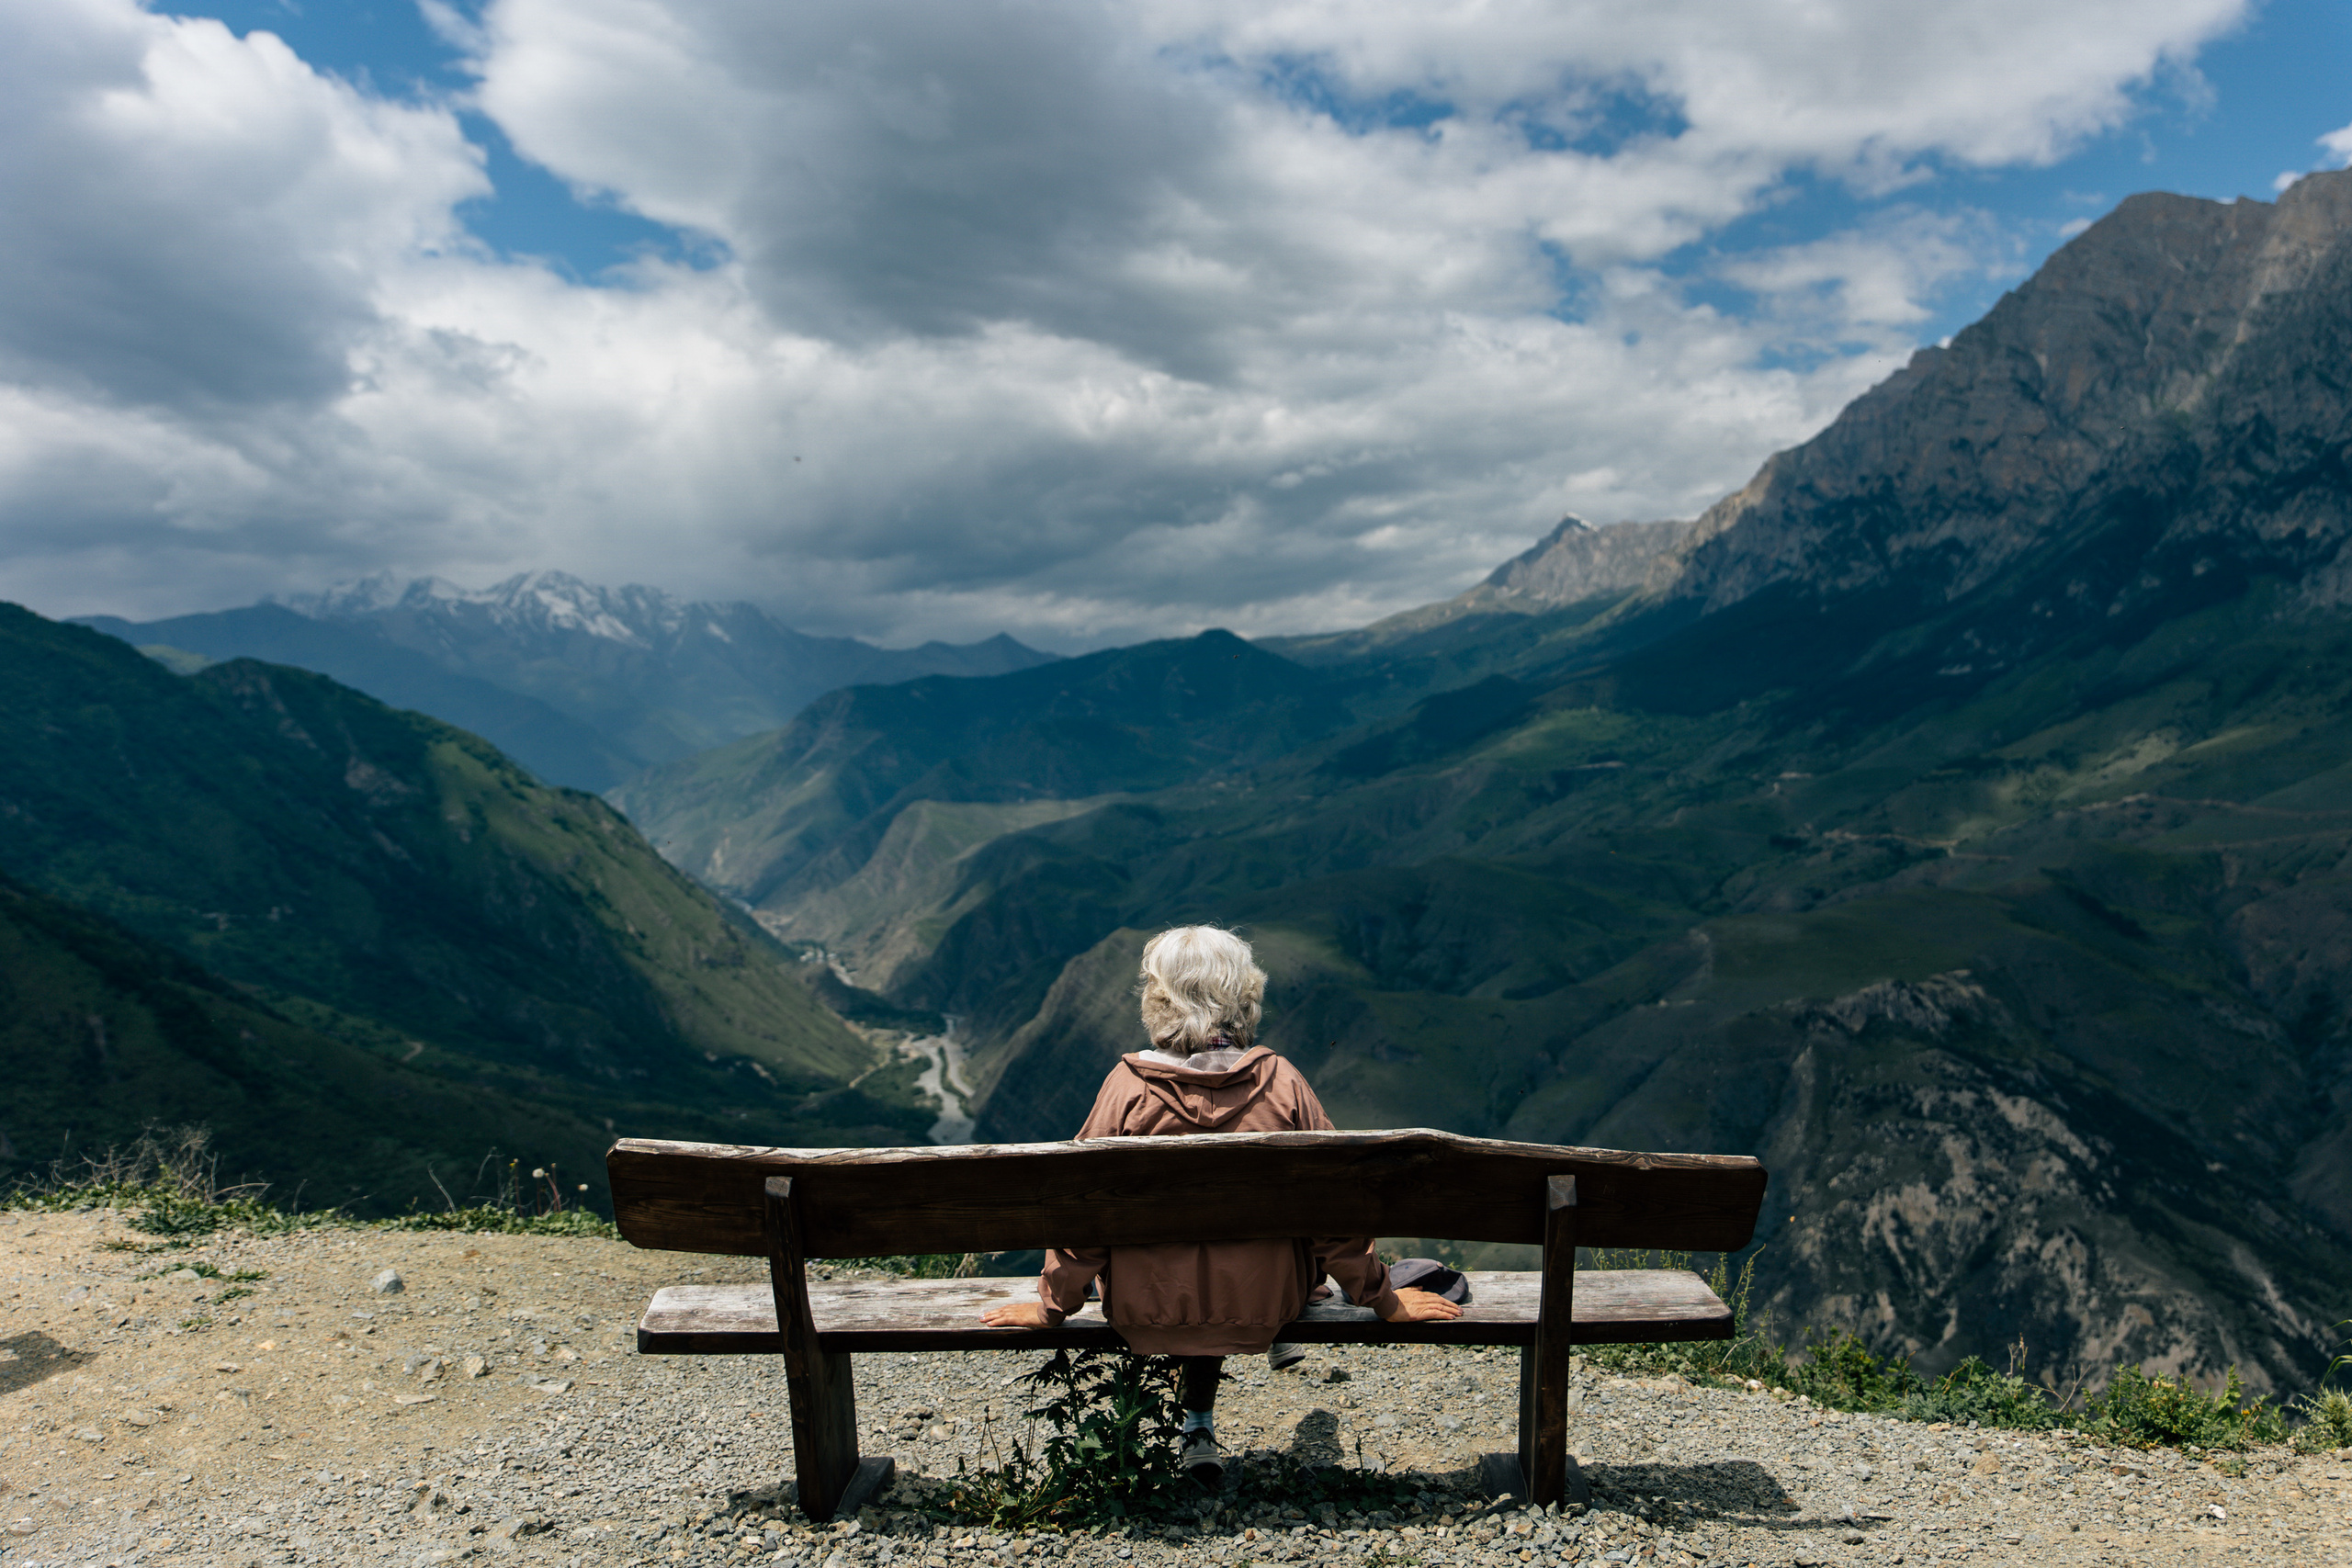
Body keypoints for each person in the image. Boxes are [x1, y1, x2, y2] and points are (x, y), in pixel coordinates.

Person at [979, 926, 1463, 1483]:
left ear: (1159, 999)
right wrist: (1384, 1299)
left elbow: (1082, 1219)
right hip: (1265, 1304)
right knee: (1280, 1230)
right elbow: (1335, 1218)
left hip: (1146, 1308)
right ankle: (1258, 1352)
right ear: (1245, 995)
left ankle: (1195, 1424)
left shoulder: (1127, 1089)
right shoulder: (1283, 1083)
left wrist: (1052, 1307)